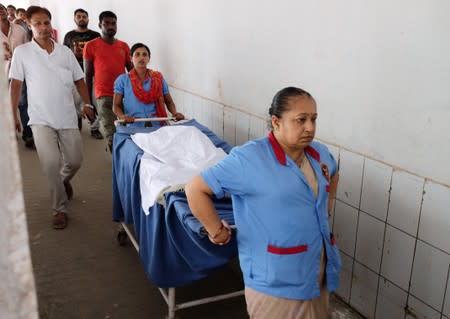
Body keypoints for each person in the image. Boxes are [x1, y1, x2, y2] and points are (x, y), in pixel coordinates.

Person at [185, 87, 341, 319]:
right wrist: (216, 230)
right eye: (301, 120)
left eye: (313, 119)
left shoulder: (318, 154)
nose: (310, 127)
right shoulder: (250, 159)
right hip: (275, 280)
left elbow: (334, 172)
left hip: (316, 271)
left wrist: (327, 205)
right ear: (276, 122)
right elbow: (196, 188)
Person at [9, 6, 95, 230]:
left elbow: (79, 80)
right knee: (50, 164)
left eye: (46, 22)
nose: (43, 27)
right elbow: (16, 85)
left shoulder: (65, 52)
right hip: (39, 119)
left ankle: (63, 180)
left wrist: (86, 103)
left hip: (67, 115)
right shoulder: (23, 53)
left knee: (75, 161)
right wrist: (13, 115)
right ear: (29, 24)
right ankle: (59, 209)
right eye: (37, 23)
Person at [83, 10, 132, 151]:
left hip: (123, 94)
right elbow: (88, 75)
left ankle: (116, 148)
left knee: (123, 126)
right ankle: (112, 147)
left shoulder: (123, 46)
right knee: (110, 128)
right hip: (103, 94)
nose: (111, 26)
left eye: (113, 23)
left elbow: (131, 71)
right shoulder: (90, 46)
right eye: (107, 23)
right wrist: (88, 101)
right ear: (100, 25)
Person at [112, 43, 184, 127]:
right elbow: (116, 105)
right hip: (133, 125)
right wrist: (123, 116)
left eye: (145, 54)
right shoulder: (122, 80)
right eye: (137, 54)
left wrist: (175, 113)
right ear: (131, 58)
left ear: (149, 59)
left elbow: (169, 101)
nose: (141, 57)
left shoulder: (158, 78)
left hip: (157, 124)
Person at [63, 8, 103, 139]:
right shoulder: (69, 36)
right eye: (78, 16)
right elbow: (64, 55)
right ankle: (78, 122)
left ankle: (95, 128)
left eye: (84, 16)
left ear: (88, 19)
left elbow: (101, 55)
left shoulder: (96, 35)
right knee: (75, 101)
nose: (81, 19)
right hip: (74, 74)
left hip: (93, 75)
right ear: (74, 19)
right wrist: (74, 56)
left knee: (93, 102)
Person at [1, 3, 32, 148]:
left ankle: (27, 133)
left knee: (23, 103)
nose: (0, 11)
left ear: (6, 11)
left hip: (19, 72)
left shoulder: (19, 30)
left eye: (1, 8)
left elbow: (28, 49)